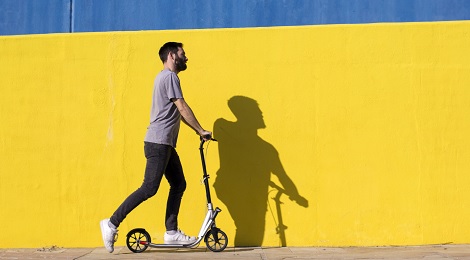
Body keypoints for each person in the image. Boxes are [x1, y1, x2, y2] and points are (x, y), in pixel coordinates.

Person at [100, 42, 212, 253]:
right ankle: (112, 223)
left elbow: (178, 112)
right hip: (158, 143)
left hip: (164, 143)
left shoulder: (164, 78)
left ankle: (171, 233)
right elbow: (182, 106)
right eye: (182, 53)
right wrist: (201, 129)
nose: (186, 58)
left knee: (179, 184)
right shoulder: (170, 77)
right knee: (149, 188)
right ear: (172, 55)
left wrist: (198, 130)